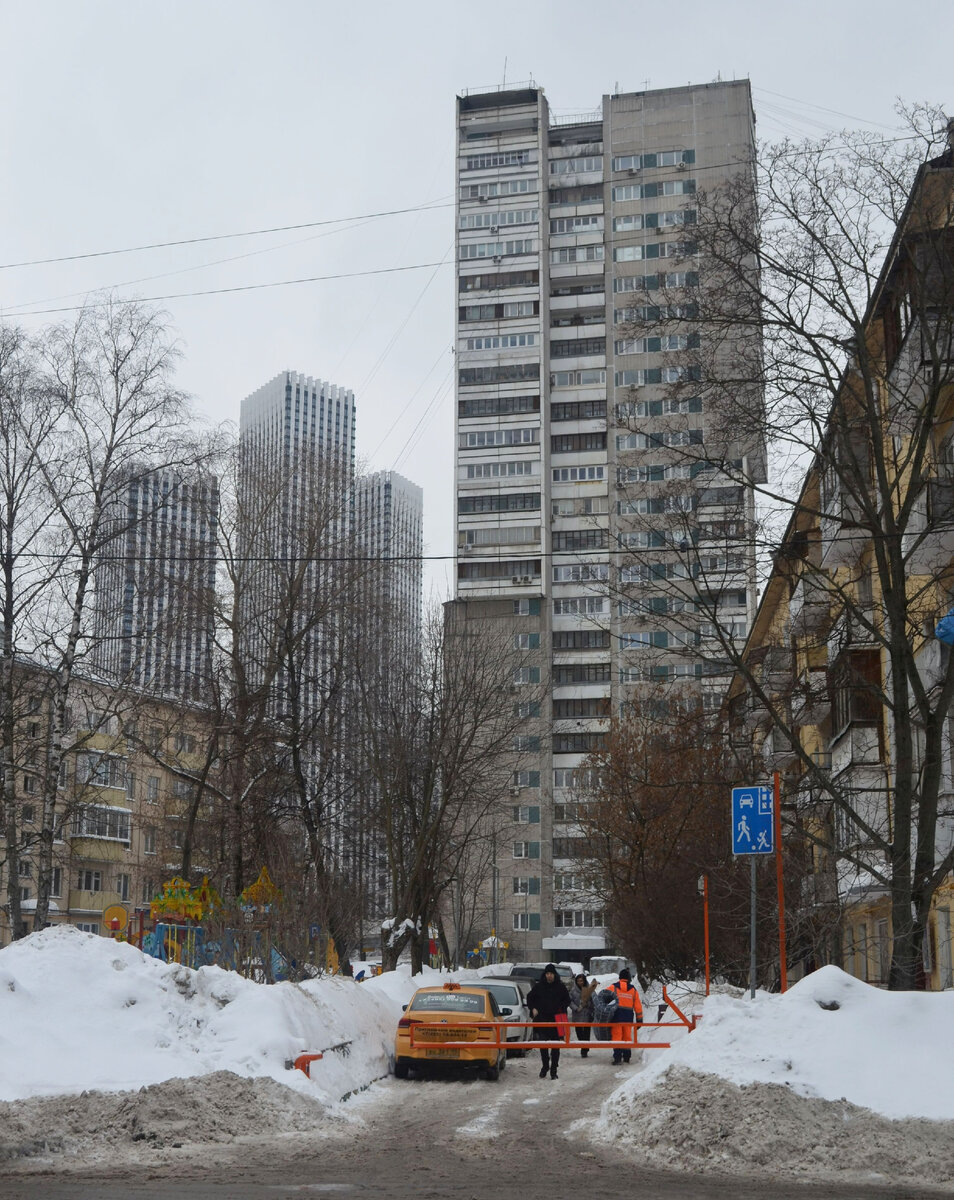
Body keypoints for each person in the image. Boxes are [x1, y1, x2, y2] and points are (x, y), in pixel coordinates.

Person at [526, 963, 571, 1079]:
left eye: (551, 974)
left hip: (556, 1021)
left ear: (554, 975)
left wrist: (561, 1008)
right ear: (545, 974)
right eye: (547, 974)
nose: (549, 976)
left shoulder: (560, 987)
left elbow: (567, 1000)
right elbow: (530, 997)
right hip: (543, 1021)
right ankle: (545, 1066)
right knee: (543, 1046)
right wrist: (533, 1008)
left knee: (556, 1047)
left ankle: (554, 1070)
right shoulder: (539, 986)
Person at [599, 968, 643, 1065]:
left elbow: (603, 997)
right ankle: (627, 1058)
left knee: (617, 1037)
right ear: (628, 978)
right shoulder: (633, 990)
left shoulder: (613, 987)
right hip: (628, 1018)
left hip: (616, 1017)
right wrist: (639, 1020)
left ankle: (617, 1058)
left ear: (620, 977)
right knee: (627, 1038)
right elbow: (638, 1006)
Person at [568, 972, 598, 1057]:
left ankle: (584, 1050)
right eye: (578, 981)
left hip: (587, 1015)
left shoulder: (590, 989)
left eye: (581, 981)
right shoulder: (573, 991)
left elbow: (594, 1001)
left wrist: (588, 1005)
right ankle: (583, 1046)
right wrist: (576, 1008)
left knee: (586, 1033)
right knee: (579, 1033)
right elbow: (569, 1001)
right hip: (577, 1014)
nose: (580, 982)